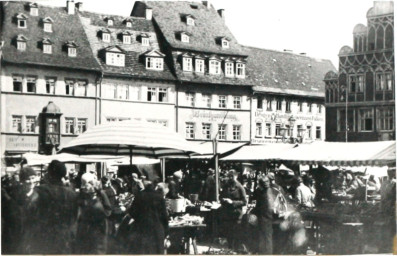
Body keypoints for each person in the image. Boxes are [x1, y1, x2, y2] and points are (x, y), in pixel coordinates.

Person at [25, 160, 78, 254]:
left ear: (49, 174)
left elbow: (29, 213)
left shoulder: (39, 192)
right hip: (64, 241)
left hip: (44, 240)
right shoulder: (72, 194)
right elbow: (74, 218)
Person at [2, 167, 38, 254]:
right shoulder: (15, 195)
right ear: (22, 181)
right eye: (28, 179)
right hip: (16, 236)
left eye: (33, 178)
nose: (31, 181)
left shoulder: (38, 195)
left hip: (32, 236)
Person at [75, 173, 111, 254]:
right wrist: (101, 192)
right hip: (95, 239)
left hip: (82, 236)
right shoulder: (95, 201)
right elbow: (108, 211)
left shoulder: (78, 197)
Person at [128, 180, 169, 254]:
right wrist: (166, 232)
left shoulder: (139, 196)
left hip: (142, 229)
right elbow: (164, 217)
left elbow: (132, 213)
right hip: (157, 229)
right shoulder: (160, 197)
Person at [219, 169, 248, 249]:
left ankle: (236, 250)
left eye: (232, 176)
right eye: (229, 176)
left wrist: (232, 202)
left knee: (236, 233)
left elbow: (245, 202)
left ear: (236, 176)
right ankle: (230, 249)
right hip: (227, 213)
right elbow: (220, 196)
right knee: (228, 233)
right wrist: (223, 200)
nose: (230, 178)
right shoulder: (226, 185)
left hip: (236, 214)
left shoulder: (240, 187)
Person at [253, 175, 274, 254]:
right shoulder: (270, 191)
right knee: (267, 238)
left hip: (264, 217)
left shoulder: (263, 194)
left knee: (265, 238)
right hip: (268, 217)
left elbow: (260, 207)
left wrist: (253, 211)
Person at [379, 168, 396, 252]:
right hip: (386, 206)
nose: (391, 173)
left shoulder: (394, 183)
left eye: (392, 172)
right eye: (389, 172)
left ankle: (388, 244)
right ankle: (385, 244)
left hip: (390, 207)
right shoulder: (385, 183)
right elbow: (382, 195)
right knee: (386, 225)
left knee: (390, 225)